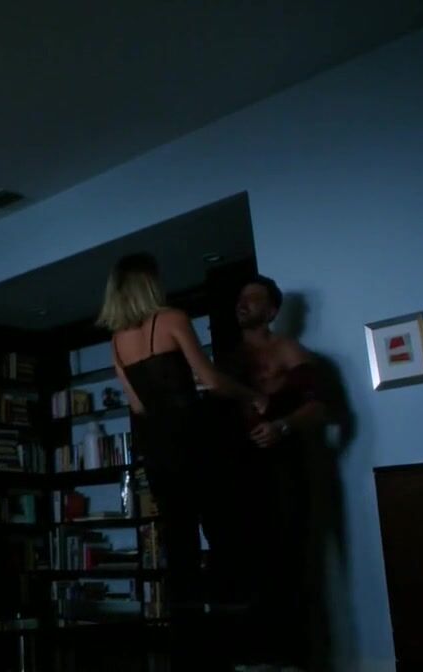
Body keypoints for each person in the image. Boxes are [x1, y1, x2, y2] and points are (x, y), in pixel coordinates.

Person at [97, 253, 267, 618]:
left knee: (178, 534)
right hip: (195, 436)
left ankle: (188, 625)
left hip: (157, 445)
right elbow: (212, 380)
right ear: (149, 284)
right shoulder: (171, 318)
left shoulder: (116, 341)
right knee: (222, 524)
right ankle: (236, 615)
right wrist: (253, 395)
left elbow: (138, 405)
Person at [231, 274, 329, 671]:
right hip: (241, 471)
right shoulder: (228, 359)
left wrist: (283, 427)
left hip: (284, 467)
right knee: (248, 563)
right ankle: (256, 656)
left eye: (253, 299)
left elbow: (320, 407)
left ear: (272, 311)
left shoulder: (287, 349)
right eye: (241, 298)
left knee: (290, 560)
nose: (243, 304)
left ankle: (293, 659)